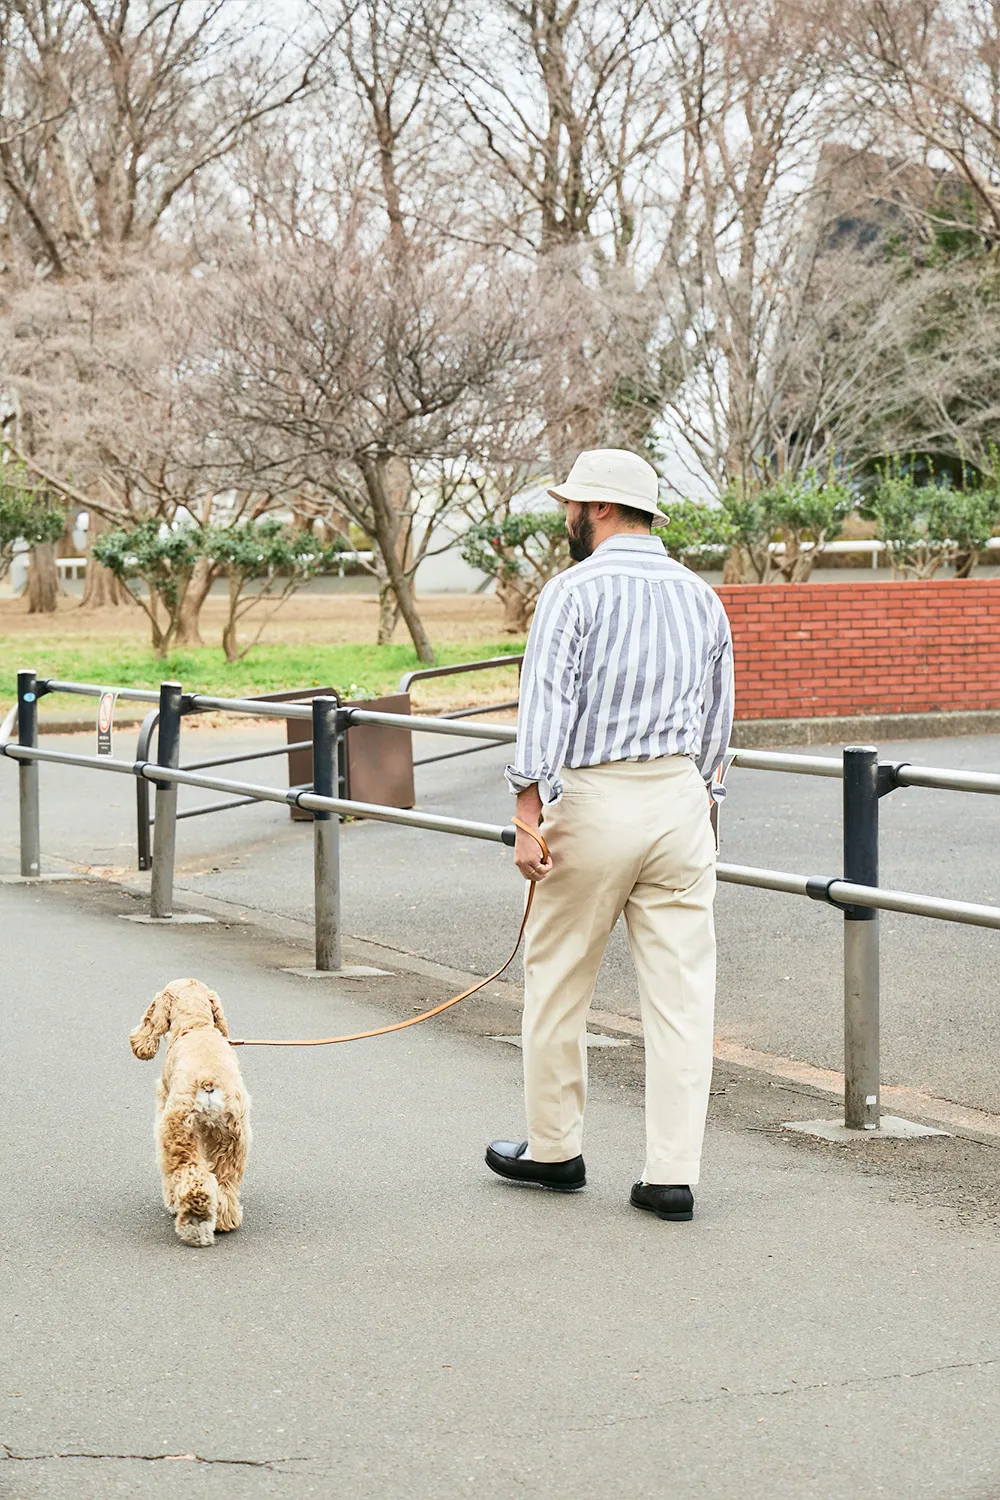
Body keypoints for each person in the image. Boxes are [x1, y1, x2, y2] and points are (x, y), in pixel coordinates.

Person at [485, 448, 734, 1222]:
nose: (566, 518)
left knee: (558, 980)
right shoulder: (701, 598)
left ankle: (555, 1149)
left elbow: (546, 707)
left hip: (594, 798)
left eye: (571, 506)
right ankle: (670, 1175)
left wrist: (528, 813)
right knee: (683, 999)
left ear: (594, 508)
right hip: (680, 800)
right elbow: (719, 721)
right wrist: (704, 803)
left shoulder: (574, 591)